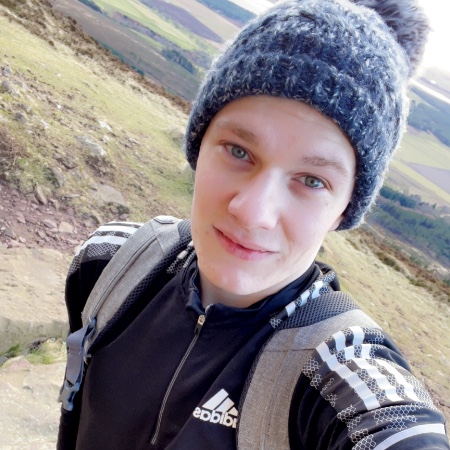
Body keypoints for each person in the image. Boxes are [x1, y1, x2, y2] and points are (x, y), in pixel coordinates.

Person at [57, 0, 450, 448]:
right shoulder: (109, 264)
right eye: (239, 151)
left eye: (312, 180)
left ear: (344, 209)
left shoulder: (338, 375)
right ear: (199, 144)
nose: (253, 211)